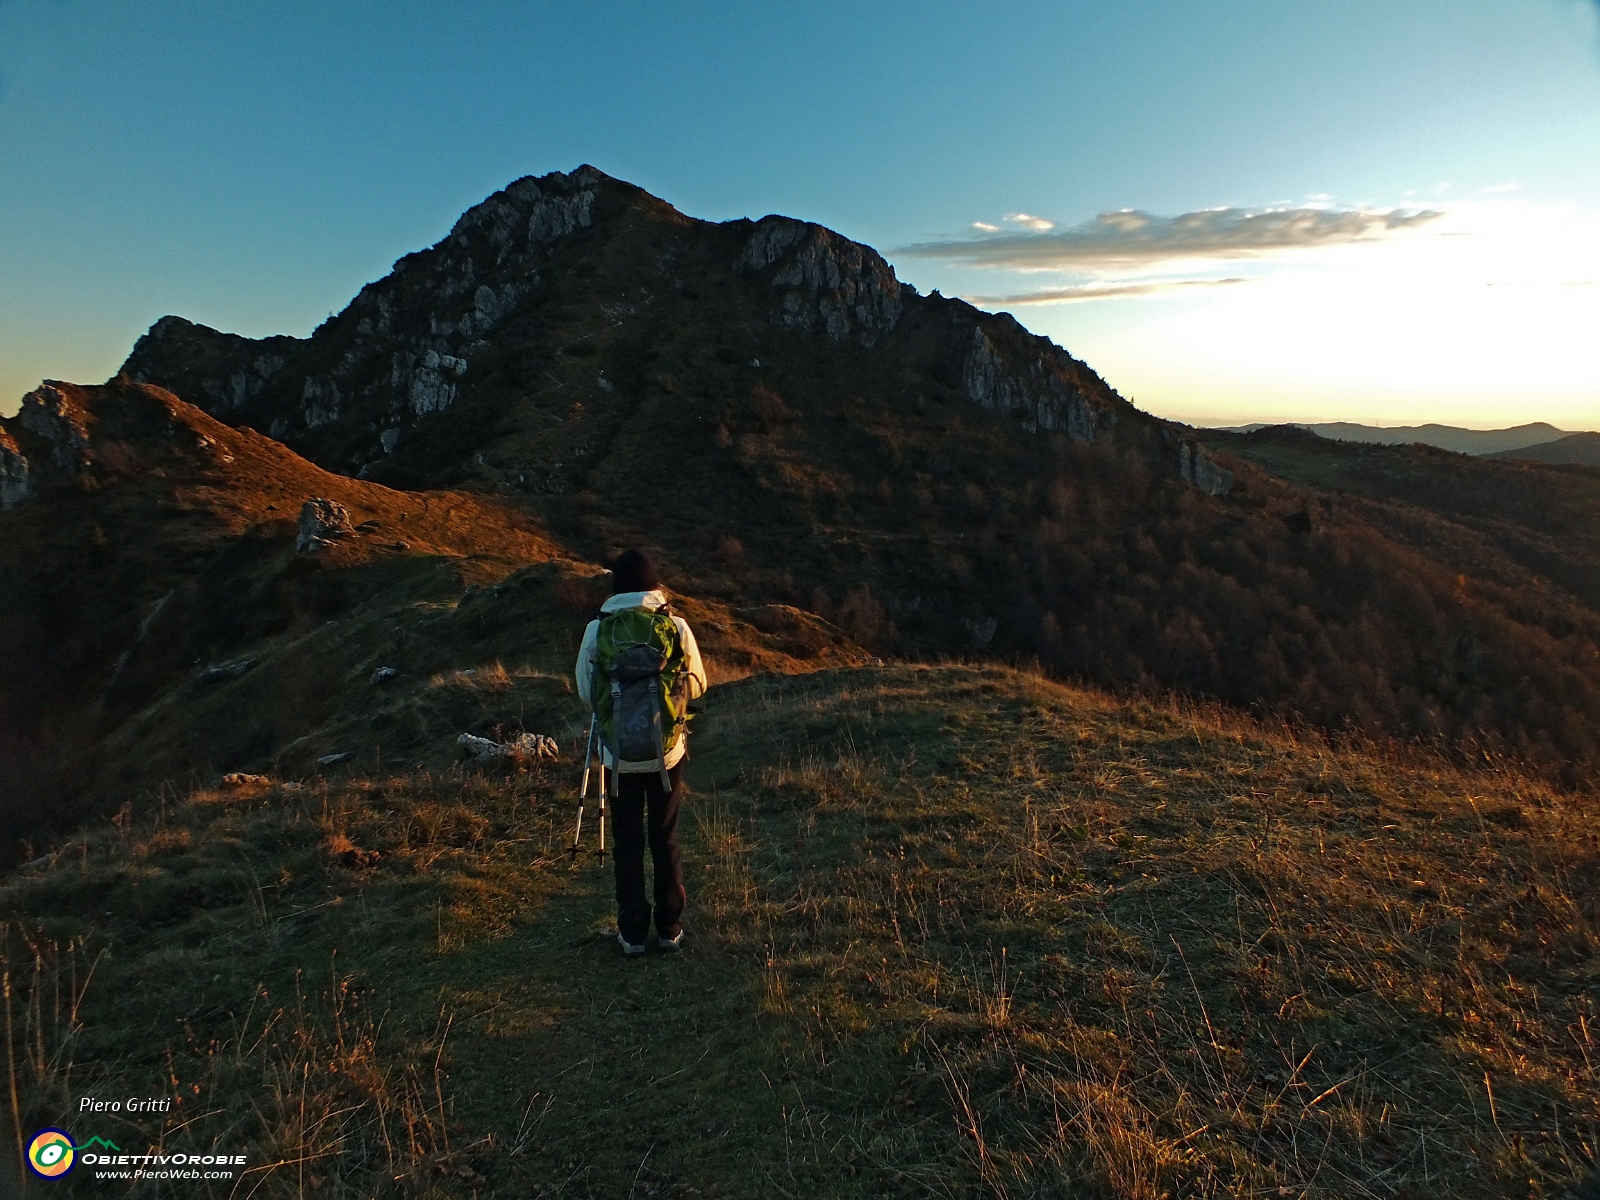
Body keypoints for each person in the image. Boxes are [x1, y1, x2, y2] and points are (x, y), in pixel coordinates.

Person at [574, 550, 707, 955]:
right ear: (654, 585)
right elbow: (699, 684)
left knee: (626, 839)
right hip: (666, 753)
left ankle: (632, 931)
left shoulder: (598, 631)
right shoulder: (675, 626)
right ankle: (669, 927)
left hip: (617, 756)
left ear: (617, 588)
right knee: (664, 836)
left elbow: (585, 691)